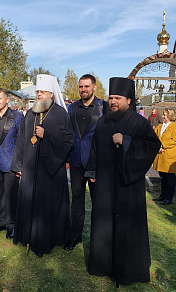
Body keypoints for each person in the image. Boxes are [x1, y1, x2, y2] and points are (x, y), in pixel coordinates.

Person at [85, 77, 161, 286]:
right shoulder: (103, 121)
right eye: (110, 98)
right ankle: (102, 265)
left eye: (117, 98)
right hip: (105, 185)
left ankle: (129, 270)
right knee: (104, 224)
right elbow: (94, 148)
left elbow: (152, 146)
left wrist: (126, 141)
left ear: (129, 100)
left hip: (128, 186)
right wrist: (91, 169)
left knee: (127, 227)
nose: (113, 101)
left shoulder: (139, 122)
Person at [11, 74, 74, 257]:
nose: (39, 95)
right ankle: (27, 235)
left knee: (47, 206)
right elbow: (21, 140)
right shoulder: (30, 113)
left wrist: (47, 135)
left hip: (50, 171)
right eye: (37, 91)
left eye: (42, 92)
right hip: (30, 169)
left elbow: (68, 141)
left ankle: (47, 239)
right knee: (29, 202)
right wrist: (19, 164)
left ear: (52, 94)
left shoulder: (61, 114)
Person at [64, 74, 108, 250]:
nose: (83, 90)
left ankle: (100, 240)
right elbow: (68, 134)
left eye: (87, 87)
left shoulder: (104, 107)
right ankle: (75, 236)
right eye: (81, 87)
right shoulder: (71, 108)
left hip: (96, 163)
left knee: (99, 202)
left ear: (94, 87)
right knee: (77, 201)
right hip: (76, 162)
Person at [0, 88, 23, 239]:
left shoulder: (17, 117)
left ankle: (12, 225)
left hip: (11, 164)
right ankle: (2, 222)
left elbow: (22, 143)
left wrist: (20, 165)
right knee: (0, 194)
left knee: (11, 195)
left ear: (7, 100)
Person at [153, 108, 176, 205]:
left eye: (165, 115)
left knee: (170, 178)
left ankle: (169, 198)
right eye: (163, 114)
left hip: (169, 156)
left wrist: (162, 145)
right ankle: (162, 195)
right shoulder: (160, 126)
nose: (163, 117)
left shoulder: (174, 127)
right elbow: (154, 137)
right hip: (160, 156)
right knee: (162, 177)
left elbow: (174, 140)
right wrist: (157, 146)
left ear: (170, 116)